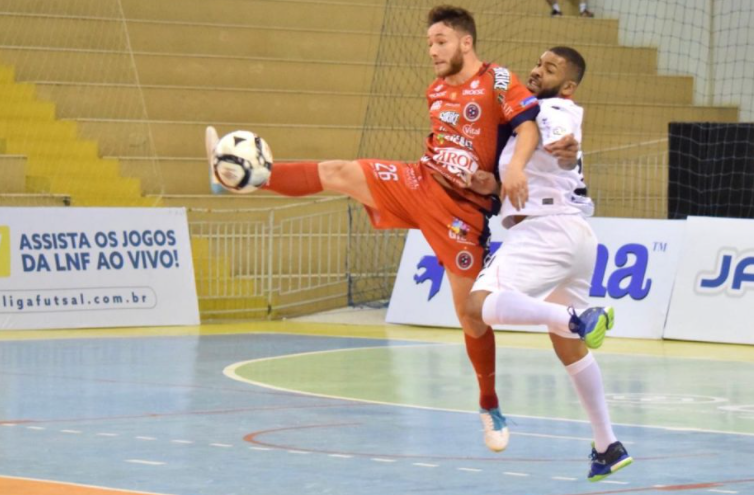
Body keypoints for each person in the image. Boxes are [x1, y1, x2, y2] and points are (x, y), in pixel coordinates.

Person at [207, 5, 577, 453]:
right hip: (419, 182)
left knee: (472, 317)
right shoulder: (435, 90)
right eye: (429, 44)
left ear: (465, 42)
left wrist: (511, 172)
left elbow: (528, 126)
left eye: (440, 42)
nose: (433, 51)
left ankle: (489, 404)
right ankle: (253, 178)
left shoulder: (498, 80)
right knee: (340, 171)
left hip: (462, 213)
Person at [465, 46, 633, 481]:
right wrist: (494, 181)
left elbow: (562, 139)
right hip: (575, 236)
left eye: (550, 68)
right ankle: (606, 445)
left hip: (545, 232)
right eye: (538, 64)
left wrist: (568, 149)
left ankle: (579, 317)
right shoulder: (526, 117)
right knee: (566, 345)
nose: (538, 71)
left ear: (569, 85)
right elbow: (540, 157)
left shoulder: (553, 108)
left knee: (476, 306)